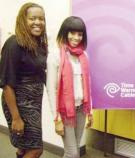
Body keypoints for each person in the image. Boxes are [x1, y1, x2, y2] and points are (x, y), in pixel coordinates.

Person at [0, 2, 47, 158]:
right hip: (18, 104)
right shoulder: (13, 44)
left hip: (34, 103)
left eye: (41, 19)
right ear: (23, 20)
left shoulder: (39, 44)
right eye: (32, 18)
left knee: (23, 147)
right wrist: (16, 117)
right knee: (35, 149)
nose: (38, 22)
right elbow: (6, 84)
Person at [46, 16, 93, 158]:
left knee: (74, 149)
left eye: (80, 34)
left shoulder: (84, 56)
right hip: (65, 112)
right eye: (72, 33)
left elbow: (87, 84)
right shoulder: (55, 55)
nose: (76, 37)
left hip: (81, 110)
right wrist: (57, 119)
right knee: (72, 153)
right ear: (65, 32)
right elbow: (51, 89)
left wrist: (90, 111)